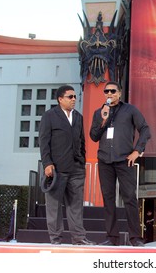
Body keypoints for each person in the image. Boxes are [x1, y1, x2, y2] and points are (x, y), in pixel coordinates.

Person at [90, 81, 151, 247]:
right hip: (104, 161)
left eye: (113, 91)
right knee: (108, 199)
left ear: (120, 93)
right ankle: (112, 238)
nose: (109, 94)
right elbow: (93, 136)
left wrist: (137, 151)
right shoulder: (99, 112)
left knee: (129, 198)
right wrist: (103, 120)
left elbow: (145, 129)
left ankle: (135, 238)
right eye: (106, 91)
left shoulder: (130, 110)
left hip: (125, 160)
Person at [39, 85, 96, 246]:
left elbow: (82, 141)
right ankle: (55, 238)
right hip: (56, 169)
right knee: (54, 206)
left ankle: (79, 238)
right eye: (70, 97)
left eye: (74, 97)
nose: (73, 100)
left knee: (76, 205)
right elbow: (44, 142)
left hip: (76, 169)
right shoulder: (49, 116)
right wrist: (47, 163)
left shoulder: (78, 116)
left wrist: (82, 161)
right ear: (60, 99)